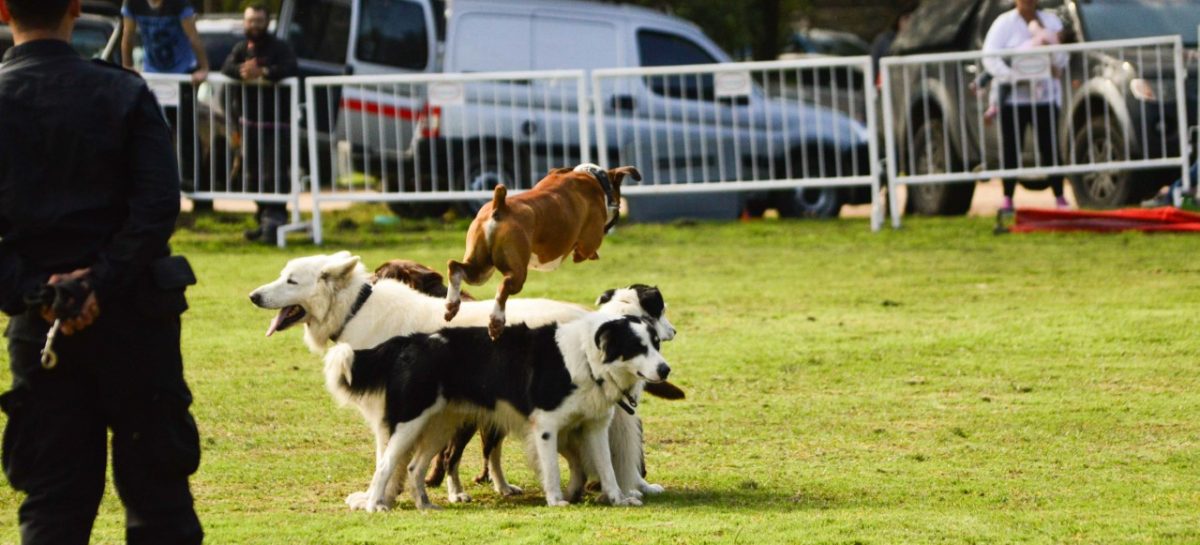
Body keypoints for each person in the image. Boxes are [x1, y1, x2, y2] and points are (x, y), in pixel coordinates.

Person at [0, 0, 204, 544]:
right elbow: (158, 205)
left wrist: (40, 292)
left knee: (52, 504)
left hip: (41, 326)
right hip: (135, 315)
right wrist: (98, 281)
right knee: (159, 503)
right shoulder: (123, 91)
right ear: (74, 10)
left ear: (3, 12)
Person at [120, 0, 210, 211]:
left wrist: (204, 67)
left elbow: (193, 36)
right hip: (155, 74)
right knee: (155, 129)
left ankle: (195, 184)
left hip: (182, 72)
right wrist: (127, 67)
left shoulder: (178, 4)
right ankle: (157, 180)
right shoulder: (133, 4)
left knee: (186, 129)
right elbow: (127, 37)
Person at [220, 3, 298, 244]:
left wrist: (263, 72)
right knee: (252, 173)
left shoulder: (279, 47)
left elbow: (289, 68)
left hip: (276, 125)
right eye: (250, 21)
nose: (254, 25)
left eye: (259, 21)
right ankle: (263, 217)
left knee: (273, 173)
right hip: (249, 124)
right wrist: (243, 71)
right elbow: (226, 67)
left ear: (267, 22)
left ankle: (276, 220)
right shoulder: (241, 48)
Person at [982, 0, 1070, 212]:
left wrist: (1053, 60)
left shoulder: (1050, 21)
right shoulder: (1003, 23)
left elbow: (1062, 55)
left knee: (1049, 148)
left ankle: (1059, 196)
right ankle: (1008, 198)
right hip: (1014, 99)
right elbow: (989, 56)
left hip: (1044, 98)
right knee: (1012, 149)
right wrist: (1011, 76)